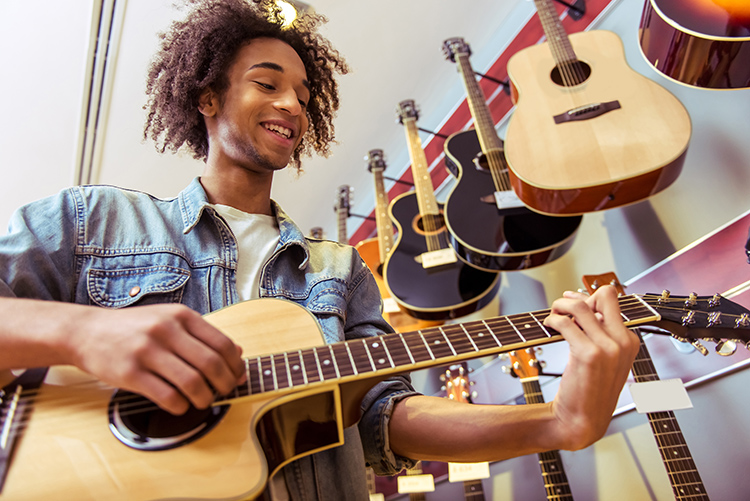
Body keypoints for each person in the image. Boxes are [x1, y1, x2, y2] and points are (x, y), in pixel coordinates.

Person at [0, 1, 640, 499]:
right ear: (206, 98)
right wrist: (80, 332)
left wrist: (559, 424)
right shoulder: (91, 221)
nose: (292, 105)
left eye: (305, 96)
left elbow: (386, 418)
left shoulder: (340, 268)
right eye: (268, 84)